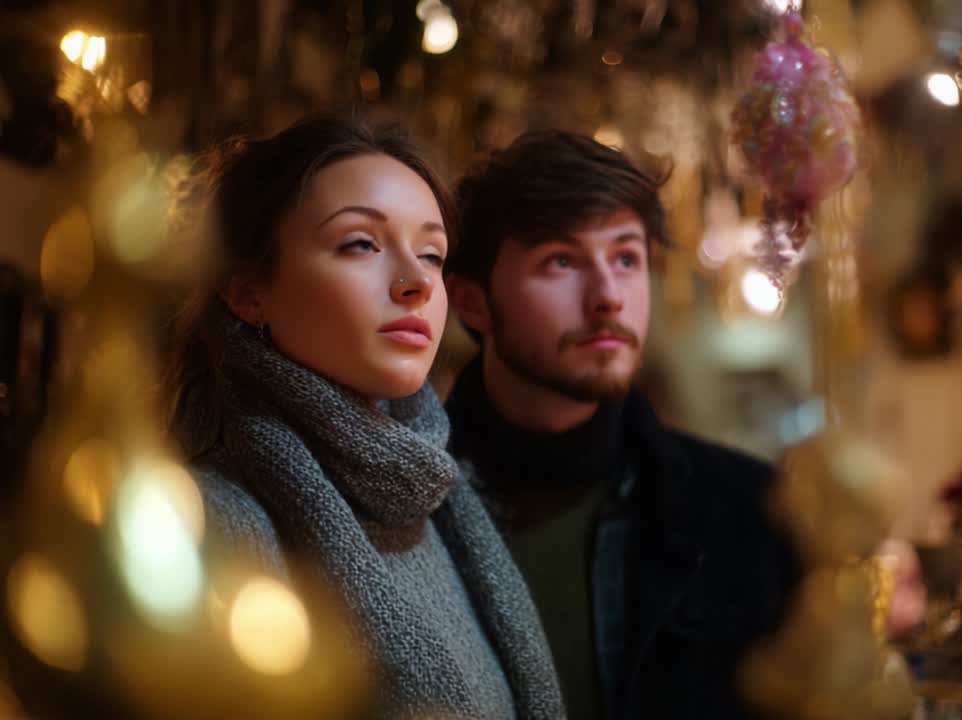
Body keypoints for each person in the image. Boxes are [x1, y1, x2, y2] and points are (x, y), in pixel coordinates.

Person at [165, 116, 564, 720]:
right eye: (360, 244)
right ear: (247, 291)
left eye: (432, 254)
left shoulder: (437, 502)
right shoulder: (210, 526)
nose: (415, 284)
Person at [442, 129, 800, 719]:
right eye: (560, 261)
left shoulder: (751, 511)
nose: (608, 295)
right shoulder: (403, 514)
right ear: (473, 302)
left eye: (627, 258)